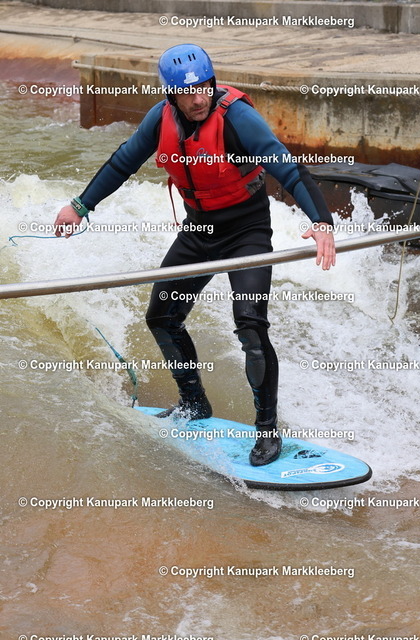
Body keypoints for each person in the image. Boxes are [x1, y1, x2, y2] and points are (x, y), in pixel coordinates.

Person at [54, 43, 336, 467]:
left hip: (247, 231)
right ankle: (194, 403)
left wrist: (321, 221)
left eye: (203, 87)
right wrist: (80, 206)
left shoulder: (237, 118)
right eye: (187, 93)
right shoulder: (160, 119)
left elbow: (288, 168)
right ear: (171, 95)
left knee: (250, 326)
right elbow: (122, 163)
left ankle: (267, 430)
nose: (198, 99)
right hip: (199, 231)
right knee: (161, 317)